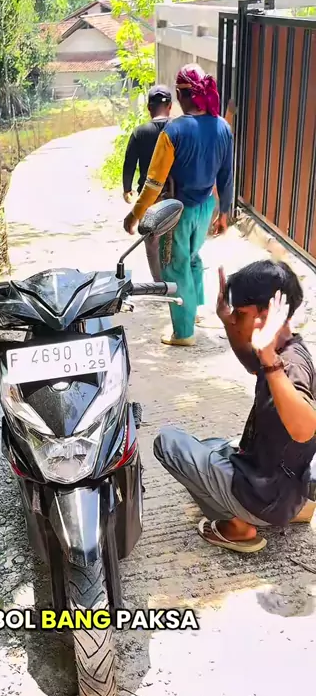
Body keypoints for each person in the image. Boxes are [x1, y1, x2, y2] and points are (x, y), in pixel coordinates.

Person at [154, 260, 316, 554]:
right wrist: (228, 320)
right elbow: (253, 365)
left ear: (265, 316)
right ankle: (294, 507)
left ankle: (239, 527)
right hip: (282, 485)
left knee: (168, 443)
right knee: (212, 446)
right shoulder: (288, 345)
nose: (236, 321)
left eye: (241, 314)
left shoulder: (287, 364)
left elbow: (305, 429)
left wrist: (270, 360)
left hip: (265, 496)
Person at [123, 63, 233, 347]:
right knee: (193, 258)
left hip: (178, 211)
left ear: (182, 95)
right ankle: (195, 312)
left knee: (174, 266)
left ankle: (183, 333)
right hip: (206, 206)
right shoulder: (223, 127)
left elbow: (153, 183)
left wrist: (135, 215)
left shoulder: (175, 131)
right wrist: (224, 213)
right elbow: (226, 176)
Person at [122, 84, 173, 204]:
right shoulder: (179, 129)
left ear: (149, 108)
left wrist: (127, 189)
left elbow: (129, 164)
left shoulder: (139, 132)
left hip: (148, 197)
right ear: (170, 106)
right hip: (175, 196)